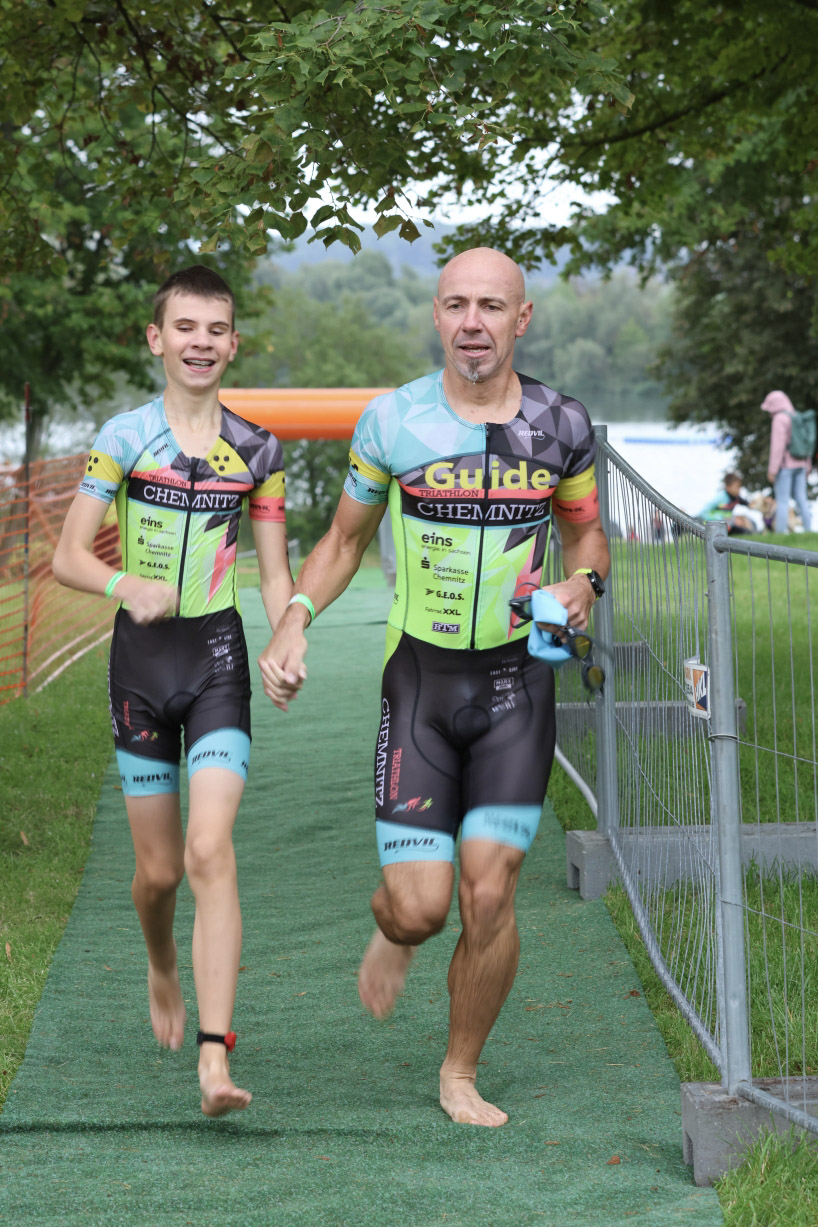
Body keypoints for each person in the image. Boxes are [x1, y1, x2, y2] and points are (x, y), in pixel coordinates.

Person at [258, 247, 610, 1127]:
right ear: (437, 315)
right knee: (420, 908)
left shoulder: (562, 424)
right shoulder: (393, 420)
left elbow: (586, 536)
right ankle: (397, 929)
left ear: (521, 318)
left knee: (490, 892)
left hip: (518, 687)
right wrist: (295, 616)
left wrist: (585, 584)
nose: (472, 322)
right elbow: (344, 540)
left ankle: (459, 1069)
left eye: (491, 306)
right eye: (457, 304)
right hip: (421, 683)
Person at [52, 265, 293, 1117]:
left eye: (216, 329)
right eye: (185, 327)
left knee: (207, 850)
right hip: (140, 667)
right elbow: (68, 557)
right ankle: (162, 964)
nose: (201, 342)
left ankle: (214, 1058)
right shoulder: (123, 437)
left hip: (217, 660)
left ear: (233, 343)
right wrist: (126, 586)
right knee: (157, 874)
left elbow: (275, 574)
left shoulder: (259, 451)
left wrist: (289, 634)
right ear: (157, 339)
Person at [761, 391, 812, 532]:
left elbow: (777, 447)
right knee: (802, 499)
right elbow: (806, 443)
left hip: (786, 466)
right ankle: (809, 530)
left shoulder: (779, 419)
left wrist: (772, 470)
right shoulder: (796, 416)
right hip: (801, 464)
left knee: (782, 500)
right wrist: (807, 465)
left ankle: (780, 533)